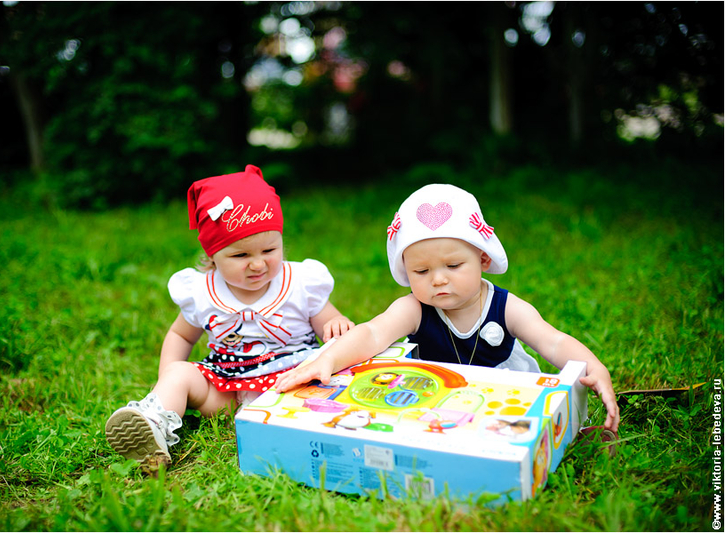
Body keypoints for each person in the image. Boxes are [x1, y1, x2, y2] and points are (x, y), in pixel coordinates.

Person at [275, 184, 620, 433]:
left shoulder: (506, 308)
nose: (438, 280)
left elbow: (553, 342)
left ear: (483, 259)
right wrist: (328, 360)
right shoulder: (415, 308)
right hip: (435, 399)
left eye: (453, 266)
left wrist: (594, 368)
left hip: (503, 398)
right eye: (421, 271)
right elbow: (372, 333)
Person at [106, 165, 354, 466]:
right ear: (212, 255)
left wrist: (336, 323)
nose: (258, 264)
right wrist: (167, 380)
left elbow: (332, 327)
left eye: (269, 250)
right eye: (240, 255)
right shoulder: (202, 292)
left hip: (292, 383)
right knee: (179, 374)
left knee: (328, 385)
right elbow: (180, 335)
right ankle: (156, 423)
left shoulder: (300, 284)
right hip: (226, 390)